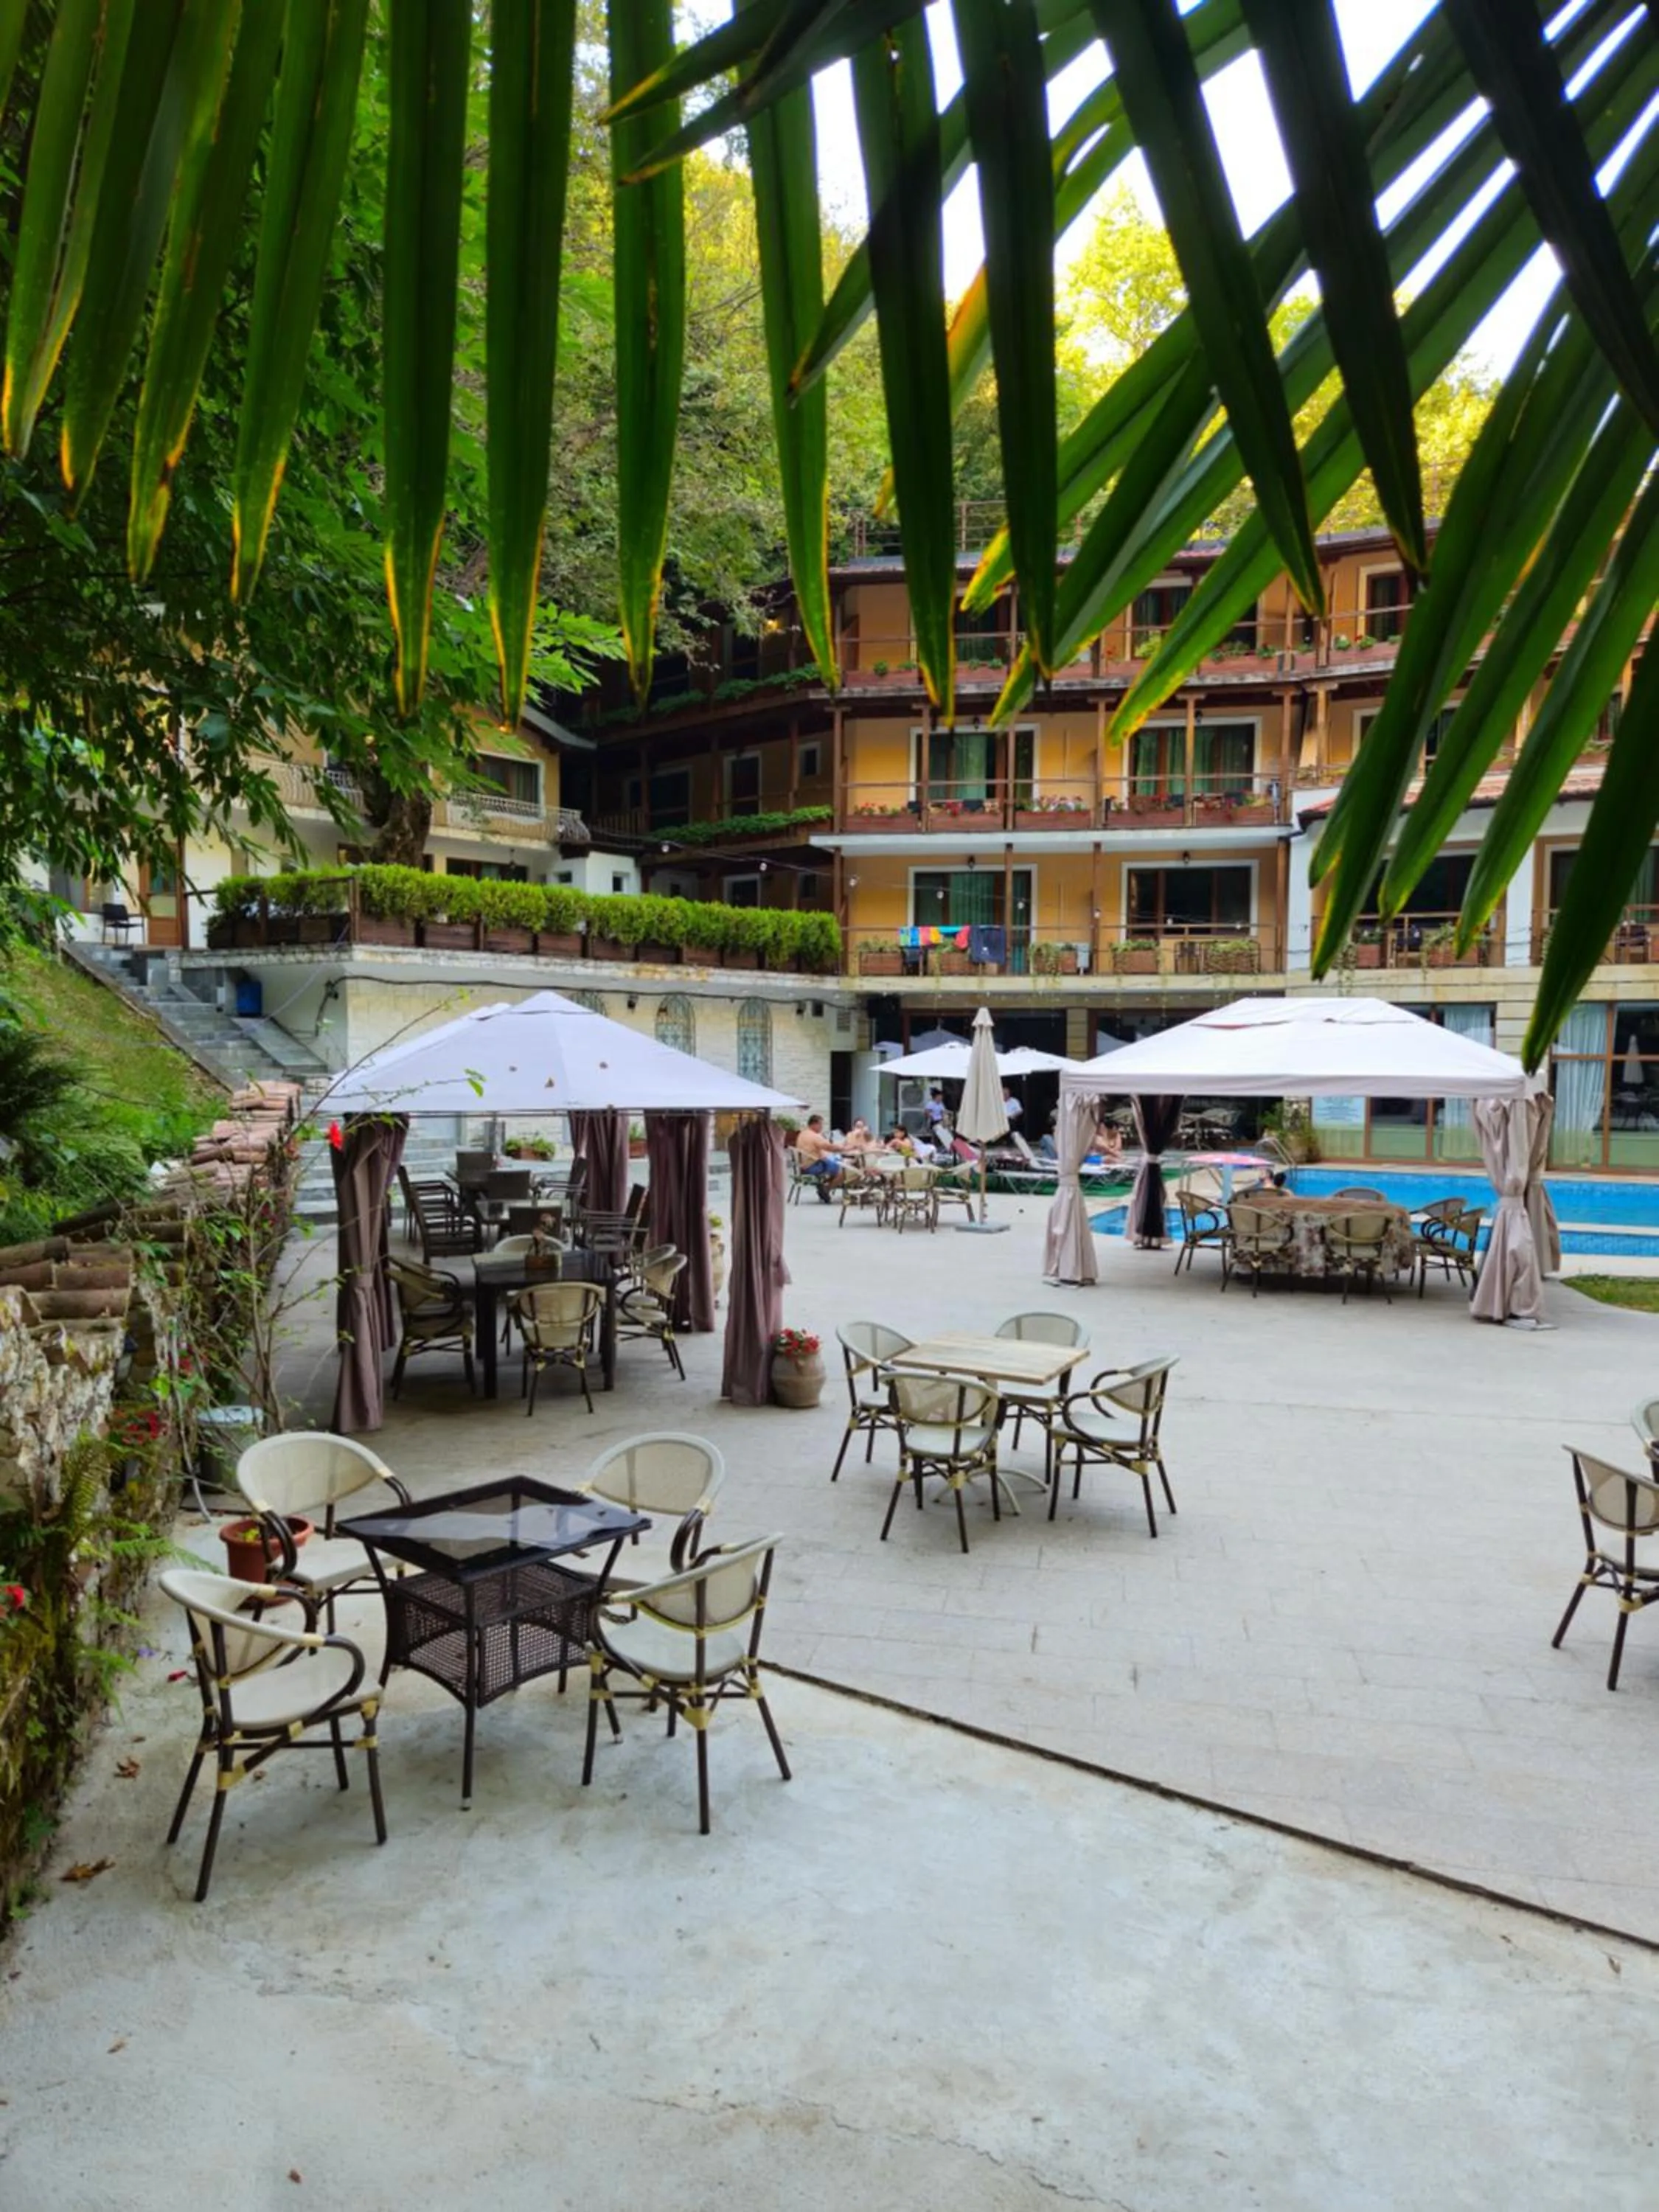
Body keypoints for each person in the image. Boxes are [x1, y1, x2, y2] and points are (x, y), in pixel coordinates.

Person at [794, 1113, 843, 1200]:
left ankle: (825, 1188)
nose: (822, 1127)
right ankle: (826, 1189)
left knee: (832, 1162)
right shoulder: (814, 1136)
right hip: (812, 1168)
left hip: (805, 1166)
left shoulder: (803, 1133)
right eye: (821, 1124)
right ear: (814, 1124)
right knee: (841, 1170)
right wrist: (844, 1147)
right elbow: (830, 1147)